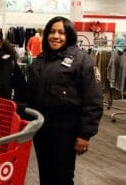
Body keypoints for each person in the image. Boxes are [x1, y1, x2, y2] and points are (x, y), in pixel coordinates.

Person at [26, 16, 103, 185]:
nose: (56, 36)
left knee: (62, 177)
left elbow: (93, 99)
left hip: (65, 132)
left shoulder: (83, 61)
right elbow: (31, 92)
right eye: (52, 32)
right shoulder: (40, 59)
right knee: (45, 174)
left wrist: (85, 135)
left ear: (70, 35)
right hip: (41, 129)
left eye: (61, 32)